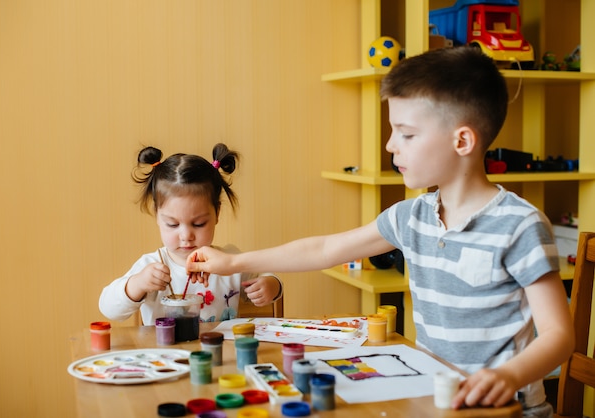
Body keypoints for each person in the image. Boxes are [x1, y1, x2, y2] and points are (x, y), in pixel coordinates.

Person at [185, 47, 574, 417]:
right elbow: (323, 249)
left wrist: (509, 376)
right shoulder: (413, 216)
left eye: (406, 134)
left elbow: (559, 335)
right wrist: (234, 261)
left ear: (462, 140)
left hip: (508, 410)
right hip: (436, 401)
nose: (391, 146)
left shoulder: (519, 225)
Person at [99, 144, 283, 325]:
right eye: (172, 224)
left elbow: (268, 278)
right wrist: (138, 284)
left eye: (198, 224)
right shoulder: (151, 265)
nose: (186, 235)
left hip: (220, 352)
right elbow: (108, 309)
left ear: (217, 214)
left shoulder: (228, 261)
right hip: (166, 354)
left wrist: (271, 286)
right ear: (157, 215)